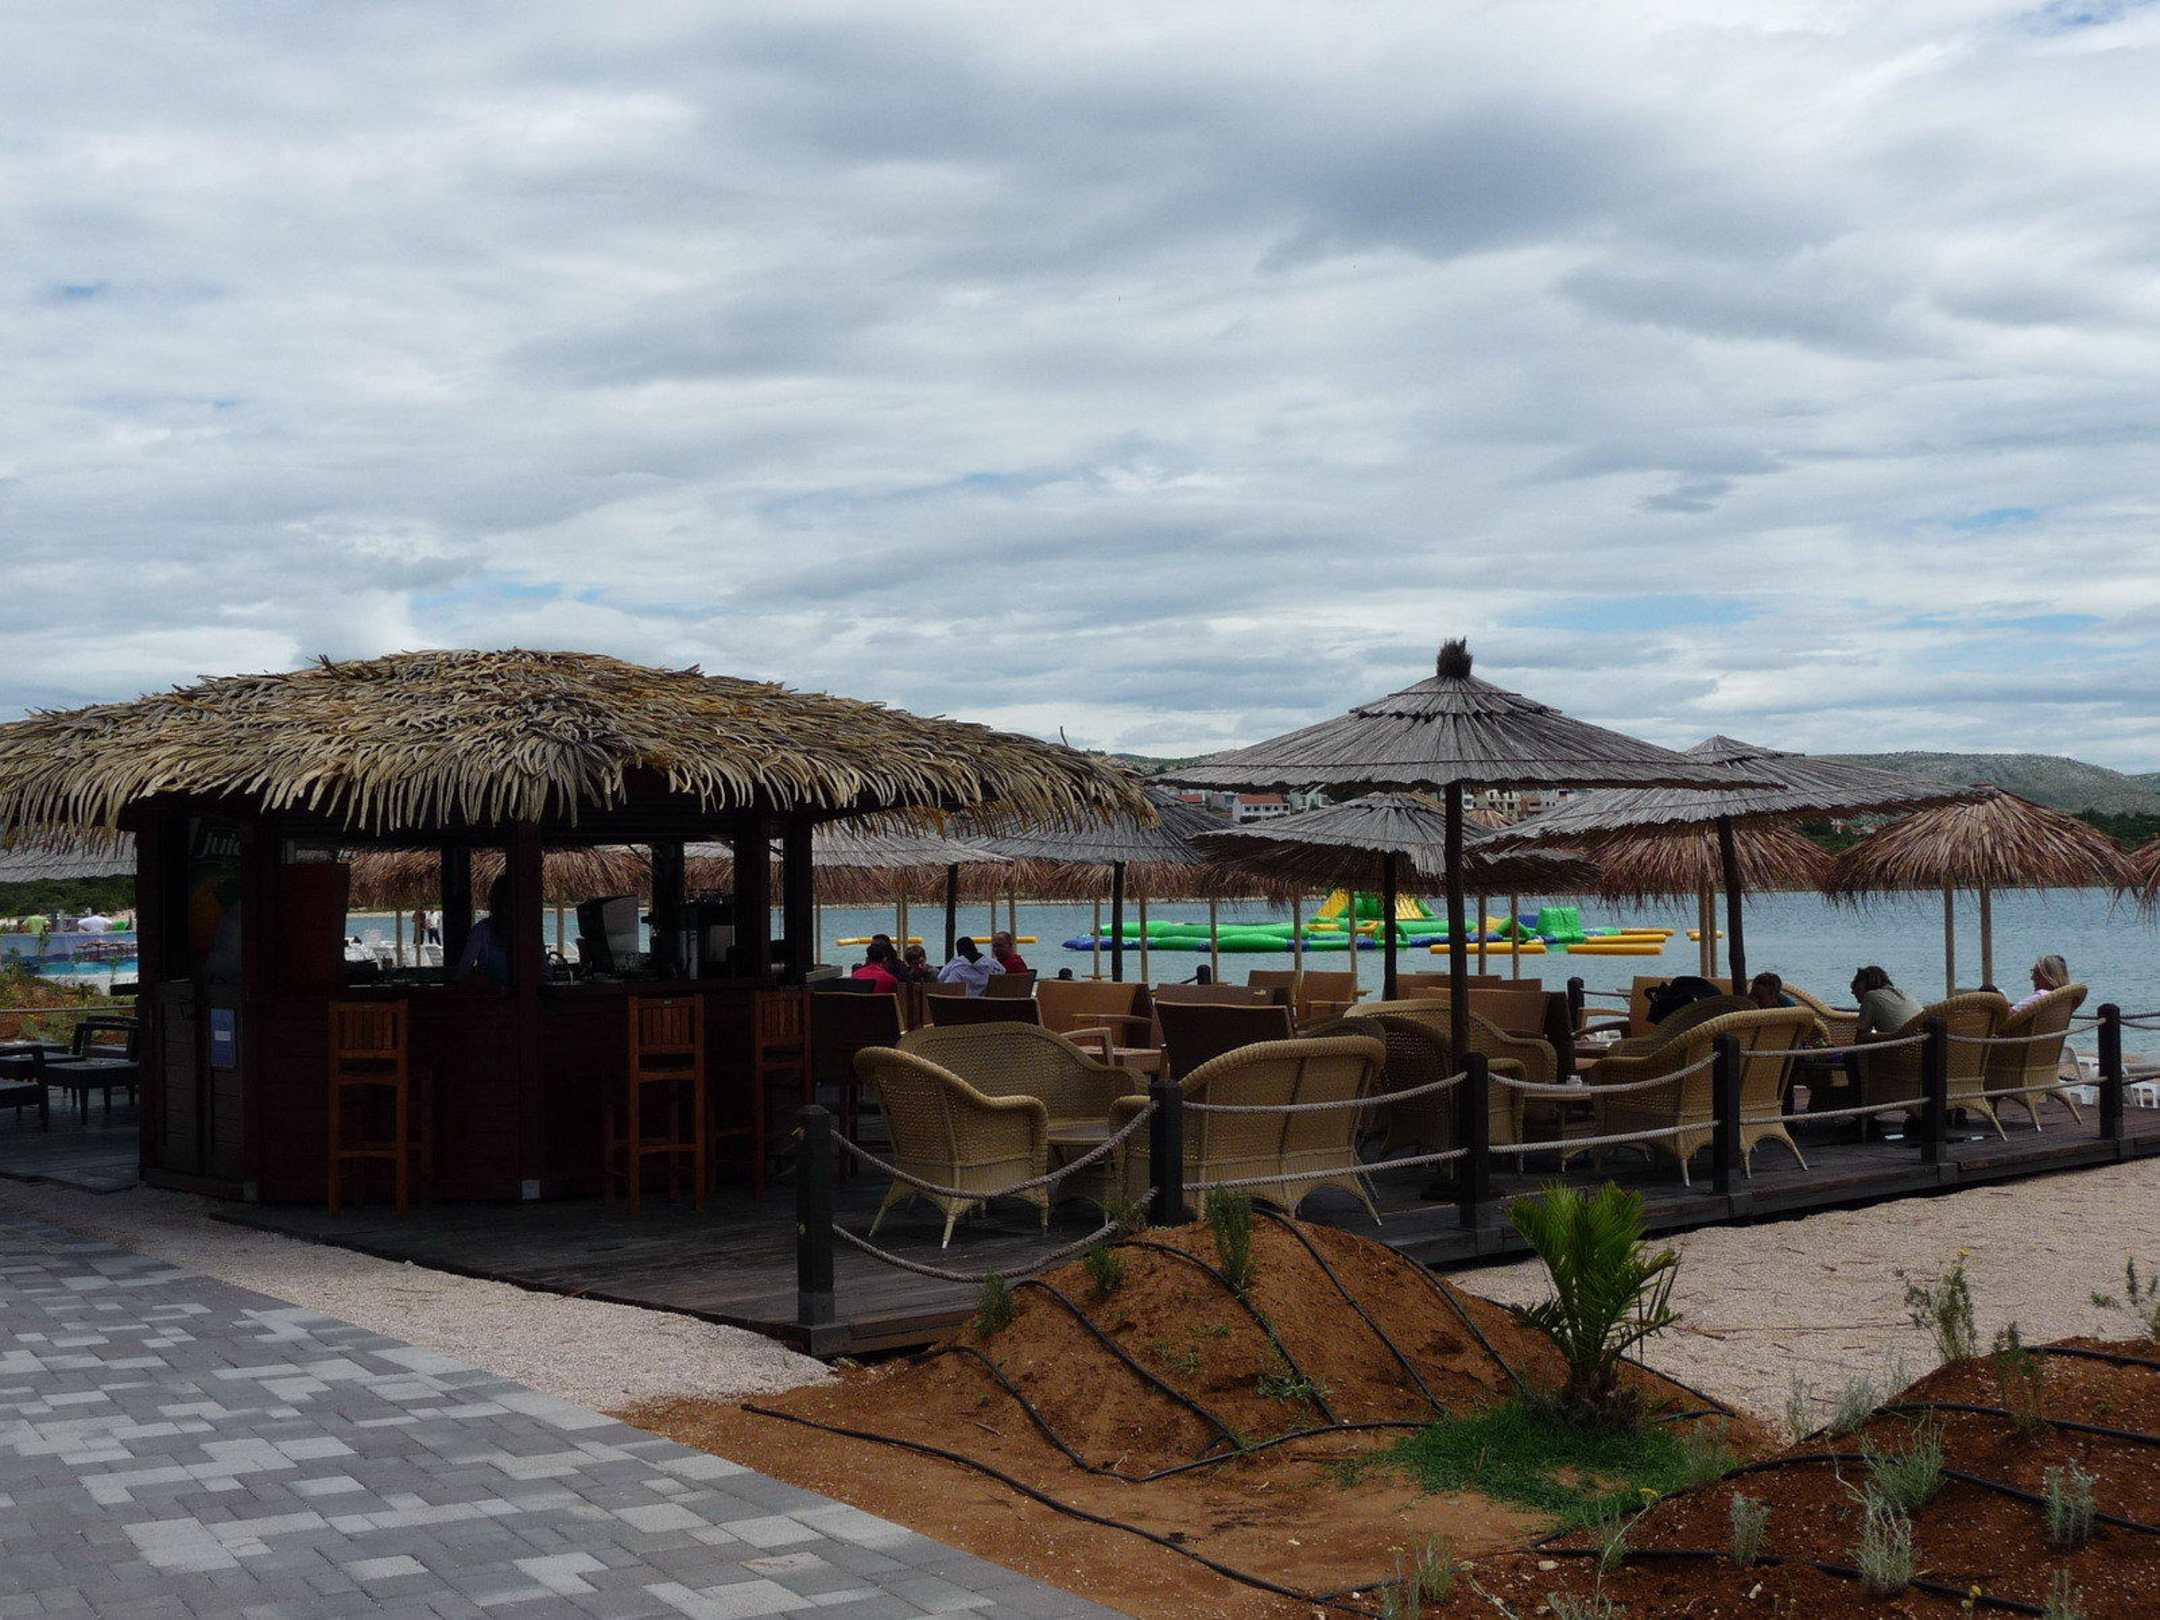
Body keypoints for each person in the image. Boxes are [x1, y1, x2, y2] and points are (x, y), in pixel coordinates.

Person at [458, 875, 517, 987]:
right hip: (492, 995)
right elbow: (463, 972)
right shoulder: (482, 931)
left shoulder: (481, 930)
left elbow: (463, 972)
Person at [1851, 965, 1922, 1039]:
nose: (1853, 992)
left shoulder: (1870, 996)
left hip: (1898, 1044)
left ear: (1866, 983)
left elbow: (1860, 1038)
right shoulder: (1904, 993)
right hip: (1921, 1042)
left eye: (1856, 987)